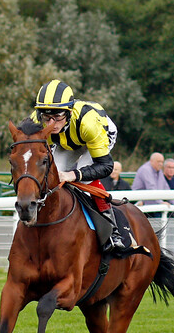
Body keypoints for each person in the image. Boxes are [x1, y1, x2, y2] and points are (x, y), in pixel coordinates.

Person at [32, 79, 123, 251]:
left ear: (68, 113)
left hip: (96, 134)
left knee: (83, 180)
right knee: (51, 175)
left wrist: (73, 175)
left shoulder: (89, 124)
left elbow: (105, 166)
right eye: (46, 116)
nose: (51, 123)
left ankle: (112, 229)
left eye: (58, 116)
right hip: (68, 140)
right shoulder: (36, 121)